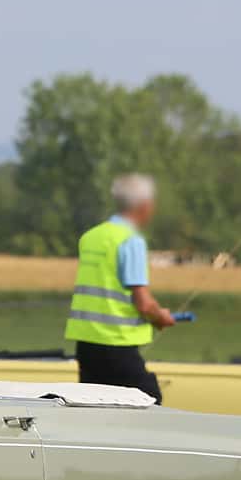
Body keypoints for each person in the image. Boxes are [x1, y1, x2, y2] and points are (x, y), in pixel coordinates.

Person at [65, 173, 174, 403]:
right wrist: (160, 317)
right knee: (149, 400)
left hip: (86, 343)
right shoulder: (130, 241)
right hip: (117, 344)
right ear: (144, 206)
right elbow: (143, 302)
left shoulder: (91, 237)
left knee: (93, 408)